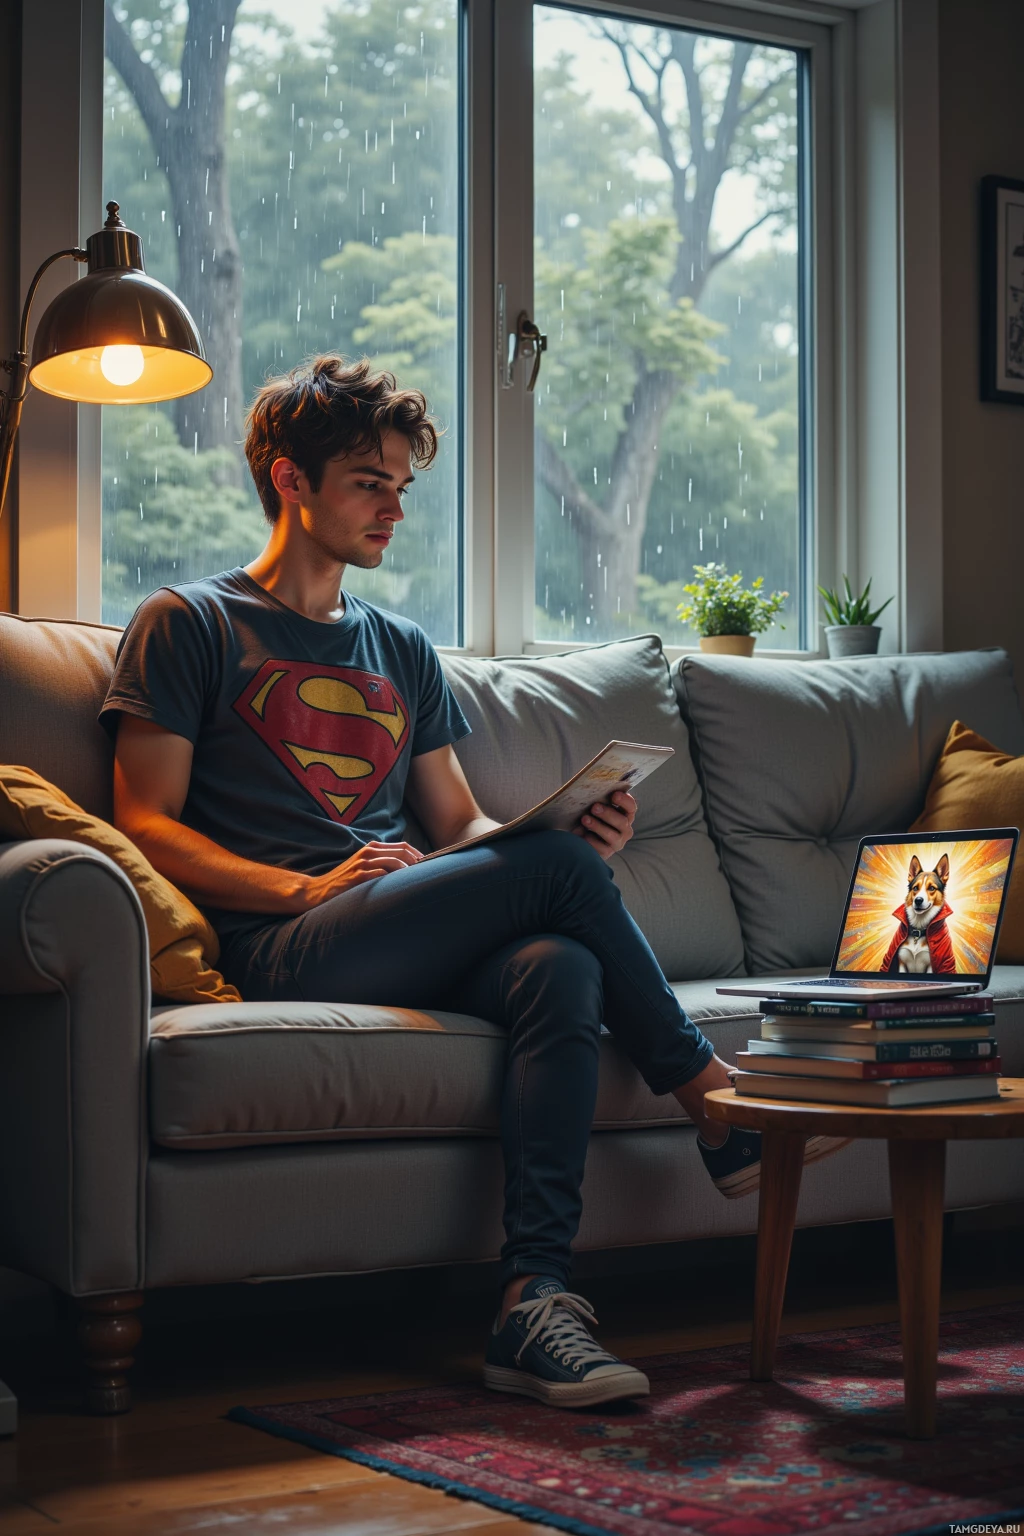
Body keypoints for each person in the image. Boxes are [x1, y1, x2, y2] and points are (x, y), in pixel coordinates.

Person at [101, 354, 843, 1410]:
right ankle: (714, 1104)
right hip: (281, 942)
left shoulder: (401, 646)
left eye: (403, 485)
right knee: (545, 890)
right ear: (287, 478)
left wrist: (565, 834)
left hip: (398, 925)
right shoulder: (189, 622)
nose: (393, 507)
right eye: (369, 480)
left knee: (558, 968)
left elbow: (461, 827)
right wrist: (303, 890)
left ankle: (532, 1301)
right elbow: (145, 827)